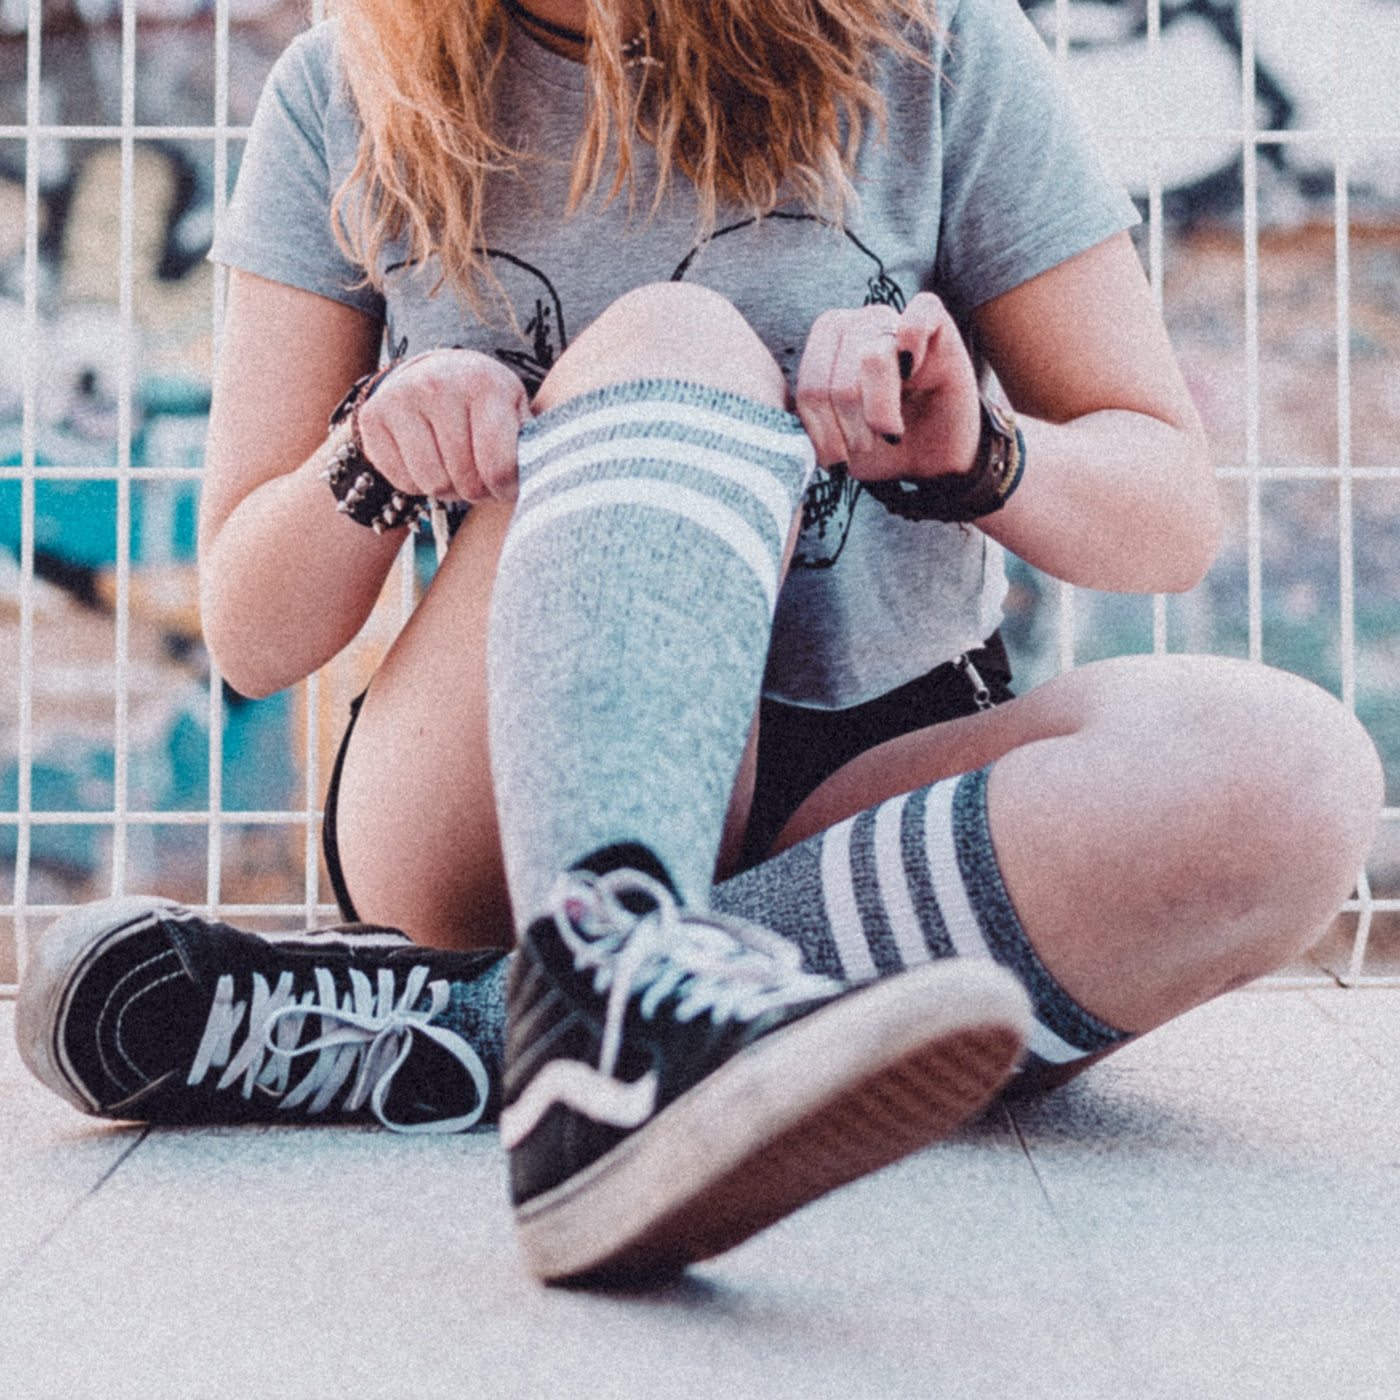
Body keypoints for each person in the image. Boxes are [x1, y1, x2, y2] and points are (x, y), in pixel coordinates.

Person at [15, 0, 1381, 1287]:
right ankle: (608, 964)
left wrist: (983, 455)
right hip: (492, 801)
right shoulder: (352, 83)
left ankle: (483, 1032)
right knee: (676, 337)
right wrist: (372, 458)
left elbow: (1169, 512)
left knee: (1293, 776)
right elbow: (252, 633)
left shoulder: (929, 44)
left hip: (864, 796)